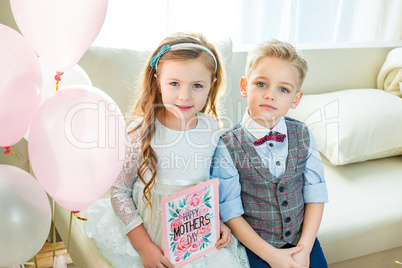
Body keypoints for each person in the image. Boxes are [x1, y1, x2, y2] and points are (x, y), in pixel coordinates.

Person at [85, 32, 249, 268]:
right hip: (149, 238)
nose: (185, 96)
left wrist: (217, 222)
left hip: (195, 237)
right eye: (174, 83)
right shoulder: (139, 132)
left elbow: (206, 188)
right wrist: (145, 248)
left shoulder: (211, 129)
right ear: (157, 81)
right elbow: (119, 192)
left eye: (197, 85)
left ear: (211, 85)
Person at [211, 40, 329, 268]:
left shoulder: (304, 134)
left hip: (303, 243)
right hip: (256, 249)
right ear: (245, 86)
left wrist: (304, 250)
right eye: (262, 84)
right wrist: (272, 257)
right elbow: (231, 212)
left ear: (296, 99)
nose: (270, 95)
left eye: (283, 89)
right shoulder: (227, 145)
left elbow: (315, 194)